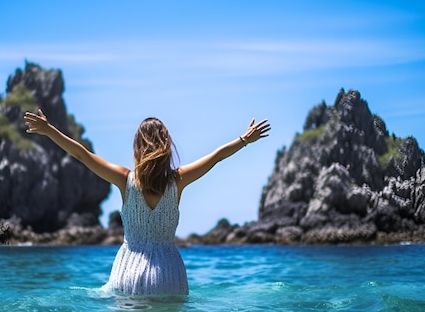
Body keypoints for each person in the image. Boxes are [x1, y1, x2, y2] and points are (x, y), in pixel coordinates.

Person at [24, 110, 271, 296]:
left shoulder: (124, 179)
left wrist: (49, 131)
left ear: (138, 146)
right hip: (169, 274)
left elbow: (81, 154)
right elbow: (216, 157)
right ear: (166, 145)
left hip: (129, 272)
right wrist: (244, 139)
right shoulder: (178, 179)